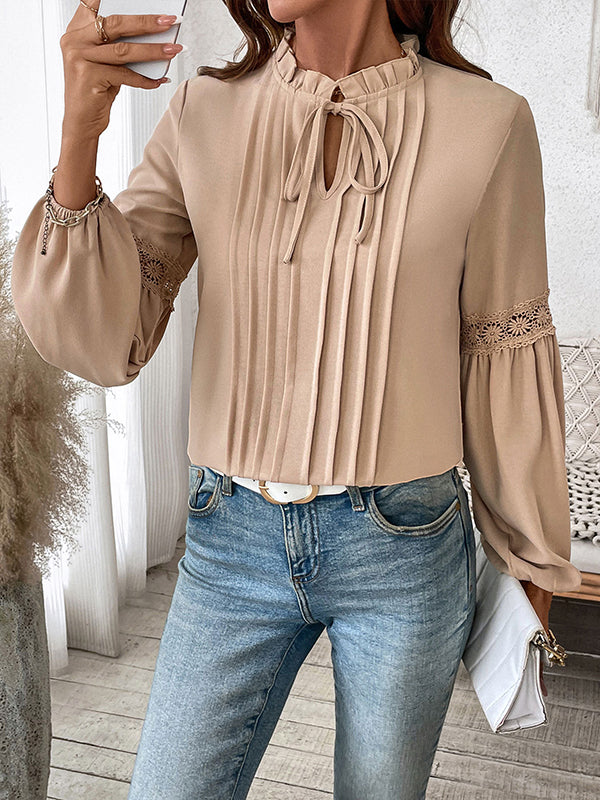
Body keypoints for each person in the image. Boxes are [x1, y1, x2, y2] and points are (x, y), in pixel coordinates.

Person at [11, 0, 582, 798]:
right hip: (228, 543)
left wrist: (532, 563)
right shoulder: (203, 110)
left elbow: (501, 353)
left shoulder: (489, 123)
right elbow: (108, 341)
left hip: (404, 548)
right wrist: (80, 133)